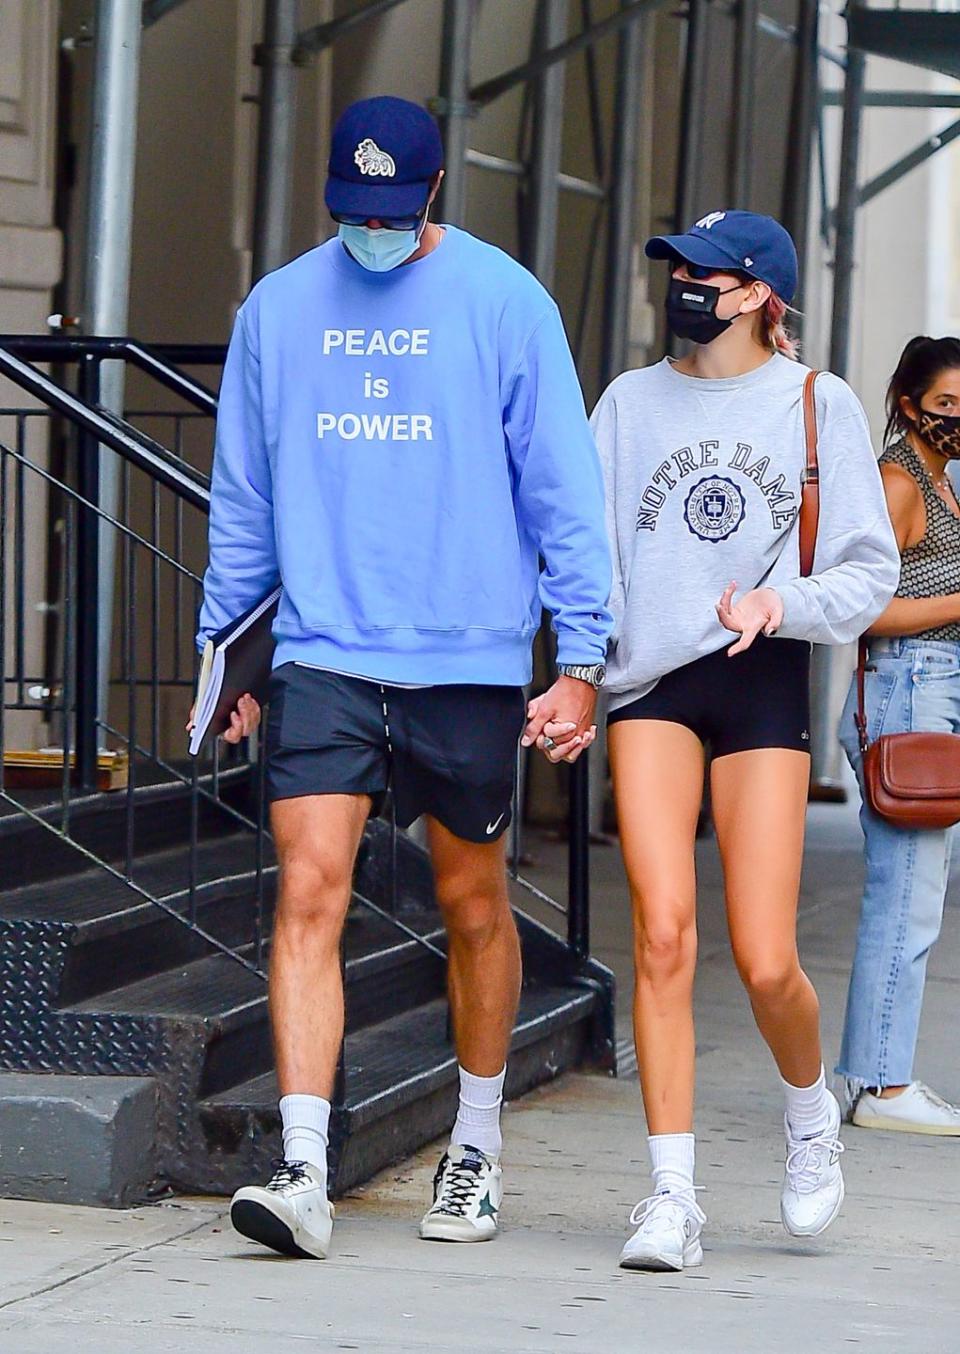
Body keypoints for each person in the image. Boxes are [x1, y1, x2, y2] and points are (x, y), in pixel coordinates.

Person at [195, 96, 611, 1260]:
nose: (369, 231)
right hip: (325, 650)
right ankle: (304, 1166)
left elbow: (562, 489)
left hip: (464, 656)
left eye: (390, 211)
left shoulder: (505, 302)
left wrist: (580, 658)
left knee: (473, 905)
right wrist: (231, 651)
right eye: (350, 212)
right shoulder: (278, 310)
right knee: (308, 890)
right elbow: (244, 497)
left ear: (430, 193)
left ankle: (475, 1142)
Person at [591, 210, 900, 1273]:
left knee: (768, 958)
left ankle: (808, 1113)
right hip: (650, 684)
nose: (683, 287)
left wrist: (785, 601)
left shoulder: (820, 404)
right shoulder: (628, 403)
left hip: (758, 674)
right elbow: (592, 561)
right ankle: (670, 1195)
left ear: (760, 293)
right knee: (663, 933)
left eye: (706, 276)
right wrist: (579, 678)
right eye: (675, 267)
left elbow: (870, 570)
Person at [836, 336, 960, 1136]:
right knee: (907, 894)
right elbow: (866, 610)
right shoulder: (896, 481)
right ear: (909, 402)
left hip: (929, 686)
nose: (959, 419)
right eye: (947, 404)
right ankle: (880, 1085)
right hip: (908, 684)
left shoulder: (937, 478)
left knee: (918, 891)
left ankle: (876, 1074)